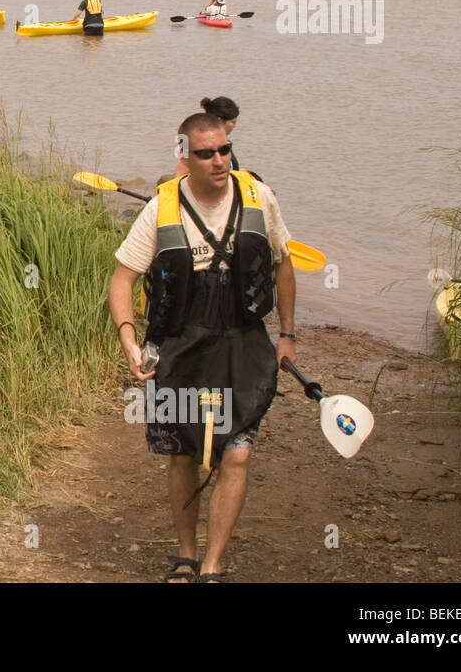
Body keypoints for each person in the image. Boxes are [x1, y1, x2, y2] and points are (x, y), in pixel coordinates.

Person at [109, 112, 296, 583]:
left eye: (224, 150)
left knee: (238, 452)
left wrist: (288, 335)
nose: (218, 160)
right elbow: (122, 280)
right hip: (180, 344)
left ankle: (212, 565)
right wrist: (130, 339)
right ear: (184, 157)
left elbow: (283, 265)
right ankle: (187, 555)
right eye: (205, 153)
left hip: (242, 342)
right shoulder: (161, 208)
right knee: (185, 454)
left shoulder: (259, 197)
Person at [175, 97, 241, 177]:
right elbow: (179, 174)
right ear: (219, 120)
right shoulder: (198, 145)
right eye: (233, 122)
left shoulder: (225, 144)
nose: (235, 126)